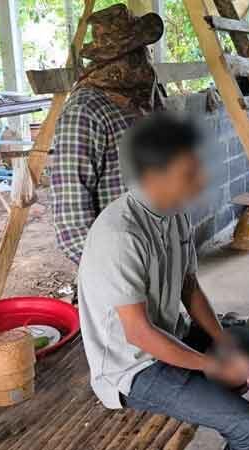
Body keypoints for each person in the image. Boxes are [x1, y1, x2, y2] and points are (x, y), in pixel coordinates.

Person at [77, 113, 249, 450]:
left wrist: (223, 343)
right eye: (189, 173)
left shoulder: (174, 211)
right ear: (154, 177)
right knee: (247, 426)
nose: (200, 181)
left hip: (173, 335)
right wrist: (215, 365)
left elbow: (189, 287)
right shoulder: (120, 234)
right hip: (133, 368)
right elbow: (139, 334)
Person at [52, 3, 165, 264]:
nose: (145, 60)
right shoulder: (84, 112)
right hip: (120, 264)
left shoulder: (145, 99)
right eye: (135, 53)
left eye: (143, 50)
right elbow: (72, 226)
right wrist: (116, 273)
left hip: (160, 253)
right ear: (114, 63)